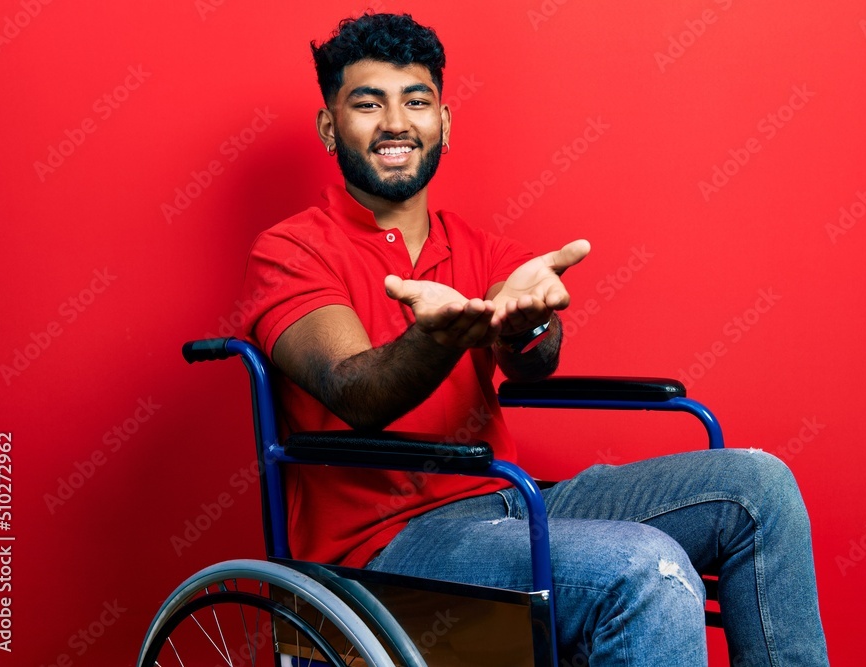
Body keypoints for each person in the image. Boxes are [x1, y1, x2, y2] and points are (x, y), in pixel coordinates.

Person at [240, 12, 829, 666]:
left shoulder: (483, 249)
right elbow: (358, 392)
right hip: (388, 549)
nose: (396, 123)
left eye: (416, 101)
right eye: (368, 103)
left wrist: (529, 326)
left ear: (445, 122)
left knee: (760, 488)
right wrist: (438, 338)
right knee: (646, 568)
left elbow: (534, 362)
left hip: (508, 500)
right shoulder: (292, 250)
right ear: (330, 127)